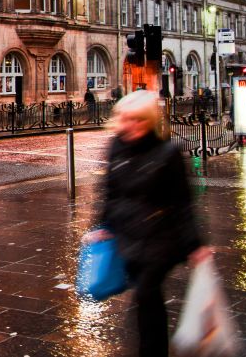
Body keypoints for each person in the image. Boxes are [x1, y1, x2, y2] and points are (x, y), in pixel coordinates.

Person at [86, 90, 208, 357]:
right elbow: (109, 189)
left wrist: (194, 245)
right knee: (144, 297)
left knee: (146, 292)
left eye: (138, 120)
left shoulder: (168, 153)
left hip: (160, 239)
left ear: (150, 120)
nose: (131, 125)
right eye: (126, 119)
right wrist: (101, 225)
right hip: (127, 234)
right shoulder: (117, 145)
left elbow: (182, 202)